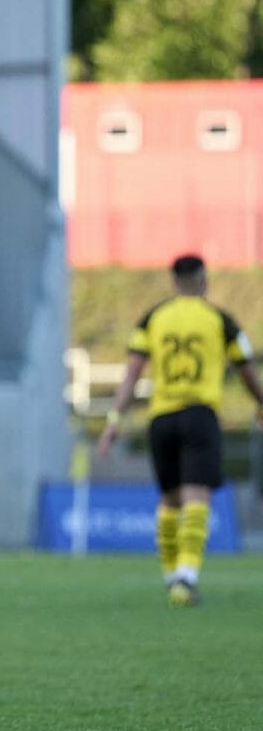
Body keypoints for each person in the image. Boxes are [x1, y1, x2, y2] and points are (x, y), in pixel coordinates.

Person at [98, 254, 263, 607]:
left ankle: (172, 575)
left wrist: (113, 421)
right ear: (204, 281)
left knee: (170, 500)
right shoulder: (220, 320)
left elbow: (132, 374)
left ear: (174, 282)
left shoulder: (154, 318)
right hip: (199, 414)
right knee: (196, 497)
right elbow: (247, 369)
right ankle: (186, 578)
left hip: (162, 419)